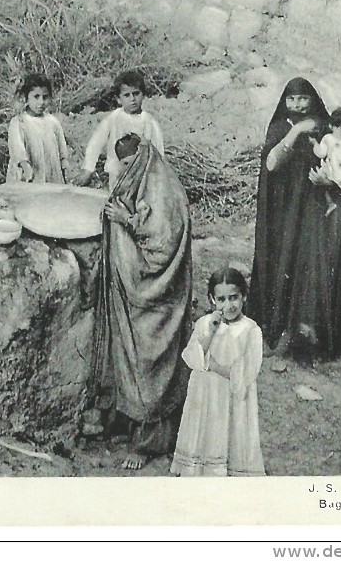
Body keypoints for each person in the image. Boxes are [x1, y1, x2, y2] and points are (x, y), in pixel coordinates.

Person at [88, 132, 192, 470]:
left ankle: (153, 441)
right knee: (129, 355)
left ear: (144, 159)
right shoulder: (139, 183)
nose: (128, 169)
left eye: (133, 163)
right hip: (132, 291)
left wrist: (127, 222)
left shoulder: (164, 191)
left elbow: (162, 245)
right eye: (124, 164)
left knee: (152, 359)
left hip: (157, 294)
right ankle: (129, 422)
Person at [248, 78, 341, 360]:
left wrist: (329, 182)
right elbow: (271, 164)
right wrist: (296, 131)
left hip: (315, 215)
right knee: (283, 261)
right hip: (285, 213)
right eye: (292, 99)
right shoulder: (280, 127)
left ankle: (311, 338)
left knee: (313, 269)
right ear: (284, 101)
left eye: (303, 99)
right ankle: (279, 332)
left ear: (313, 100)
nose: (298, 105)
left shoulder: (327, 129)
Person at [171, 267, 265, 477]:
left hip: (232, 399)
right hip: (206, 396)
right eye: (221, 299)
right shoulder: (205, 324)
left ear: (244, 296)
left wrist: (213, 366)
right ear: (212, 300)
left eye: (234, 298)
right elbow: (192, 357)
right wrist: (211, 331)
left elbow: (247, 375)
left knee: (230, 434)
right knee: (206, 431)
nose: (228, 305)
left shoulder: (251, 331)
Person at [75, 70, 165, 190]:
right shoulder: (113, 119)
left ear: (143, 94)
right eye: (127, 95)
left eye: (136, 93)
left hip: (142, 176)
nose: (132, 99)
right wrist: (88, 168)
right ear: (118, 99)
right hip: (117, 174)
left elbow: (158, 151)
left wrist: (158, 176)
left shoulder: (150, 122)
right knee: (118, 203)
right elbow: (95, 143)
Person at [6, 73, 70, 184]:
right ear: (26, 97)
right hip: (28, 177)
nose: (41, 102)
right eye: (36, 97)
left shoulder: (53, 122)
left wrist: (64, 166)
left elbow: (61, 148)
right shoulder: (19, 122)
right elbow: (17, 149)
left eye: (45, 97)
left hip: (51, 176)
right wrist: (26, 167)